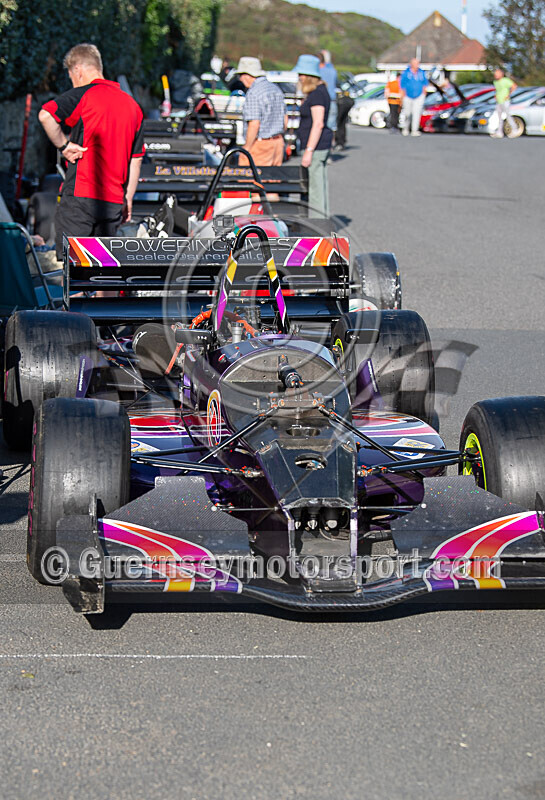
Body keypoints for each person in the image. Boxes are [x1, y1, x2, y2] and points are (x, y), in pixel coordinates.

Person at [39, 43, 144, 259]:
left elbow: (46, 115)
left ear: (77, 70)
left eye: (71, 76)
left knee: (74, 272)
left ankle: (76, 294)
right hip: (113, 201)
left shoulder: (84, 95)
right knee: (103, 269)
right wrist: (128, 198)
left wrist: (64, 146)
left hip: (80, 197)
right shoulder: (133, 106)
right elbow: (136, 159)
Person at [295, 54, 332, 217]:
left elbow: (318, 123)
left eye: (301, 75)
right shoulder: (319, 92)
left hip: (315, 147)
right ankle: (321, 221)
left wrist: (309, 150)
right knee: (319, 185)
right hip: (319, 145)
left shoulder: (317, 94)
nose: (299, 78)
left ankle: (318, 224)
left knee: (315, 189)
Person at [236, 57, 287, 167]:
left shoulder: (253, 93)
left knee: (250, 179)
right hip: (278, 142)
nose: (240, 80)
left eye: (240, 76)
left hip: (260, 144)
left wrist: (247, 148)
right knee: (273, 180)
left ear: (246, 75)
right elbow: (285, 120)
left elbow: (254, 124)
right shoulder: (275, 89)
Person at [400, 58, 428, 137]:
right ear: (411, 64)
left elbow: (424, 83)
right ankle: (405, 128)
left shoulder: (421, 72)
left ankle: (414, 130)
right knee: (407, 113)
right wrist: (403, 95)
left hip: (419, 96)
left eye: (418, 63)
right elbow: (402, 85)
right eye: (415, 63)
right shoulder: (406, 73)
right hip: (408, 96)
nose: (417, 65)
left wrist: (424, 93)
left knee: (417, 113)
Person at [491, 68, 518, 138]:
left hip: (505, 101)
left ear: (501, 74)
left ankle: (515, 129)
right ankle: (499, 132)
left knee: (508, 116)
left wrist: (509, 94)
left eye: (497, 73)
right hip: (499, 101)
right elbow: (498, 90)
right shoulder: (495, 82)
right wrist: (496, 95)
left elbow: (514, 86)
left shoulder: (506, 80)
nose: (495, 75)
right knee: (499, 117)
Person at [319, 50, 338, 135]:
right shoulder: (332, 70)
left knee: (318, 124)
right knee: (331, 127)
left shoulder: (317, 72)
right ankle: (331, 144)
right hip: (332, 100)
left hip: (320, 101)